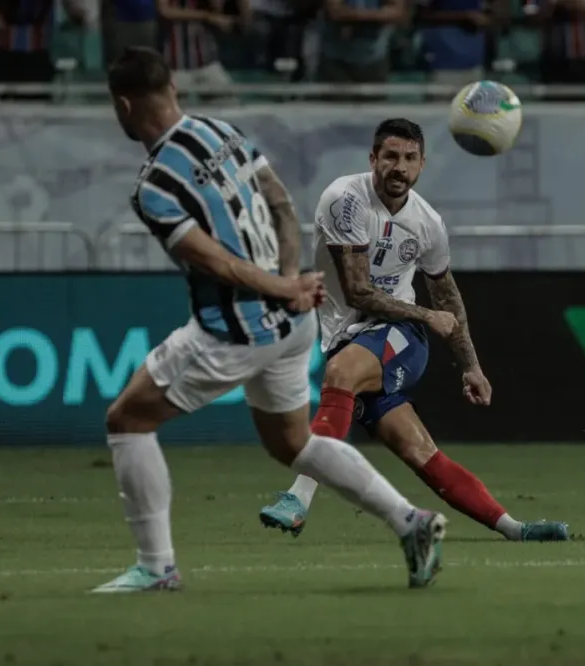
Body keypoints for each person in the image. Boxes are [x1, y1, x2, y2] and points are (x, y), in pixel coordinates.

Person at [94, 47, 448, 593]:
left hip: (233, 330)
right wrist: (290, 282)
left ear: (123, 106)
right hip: (291, 323)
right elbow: (281, 202)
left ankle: (157, 567)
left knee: (128, 419)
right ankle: (410, 521)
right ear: (173, 89)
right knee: (292, 444)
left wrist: (282, 286)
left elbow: (215, 261)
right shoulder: (221, 132)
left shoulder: (155, 185)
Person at [259, 119, 570, 543]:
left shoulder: (427, 223)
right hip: (351, 334)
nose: (399, 167)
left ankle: (298, 498)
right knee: (420, 451)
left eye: (409, 158)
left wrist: (471, 365)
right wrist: (427, 314)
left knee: (341, 374)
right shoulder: (345, 199)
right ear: (373, 159)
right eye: (390, 156)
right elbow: (358, 292)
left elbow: (447, 296)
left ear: (422, 164)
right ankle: (515, 529)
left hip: (400, 334)